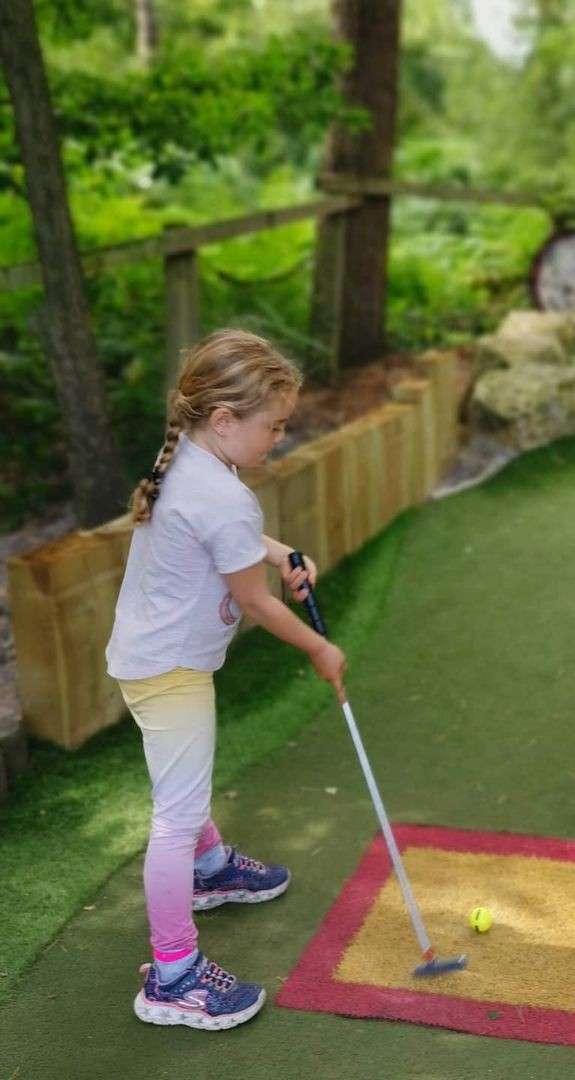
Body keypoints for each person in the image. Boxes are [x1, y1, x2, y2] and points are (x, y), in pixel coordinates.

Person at [106, 328, 347, 1030]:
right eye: (273, 425)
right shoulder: (223, 496)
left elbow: (226, 544)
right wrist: (320, 651)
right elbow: (255, 603)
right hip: (169, 670)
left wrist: (276, 550)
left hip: (153, 654)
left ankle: (210, 870)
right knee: (175, 814)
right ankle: (173, 976)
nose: (278, 436)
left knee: (185, 784)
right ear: (223, 420)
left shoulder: (189, 458)